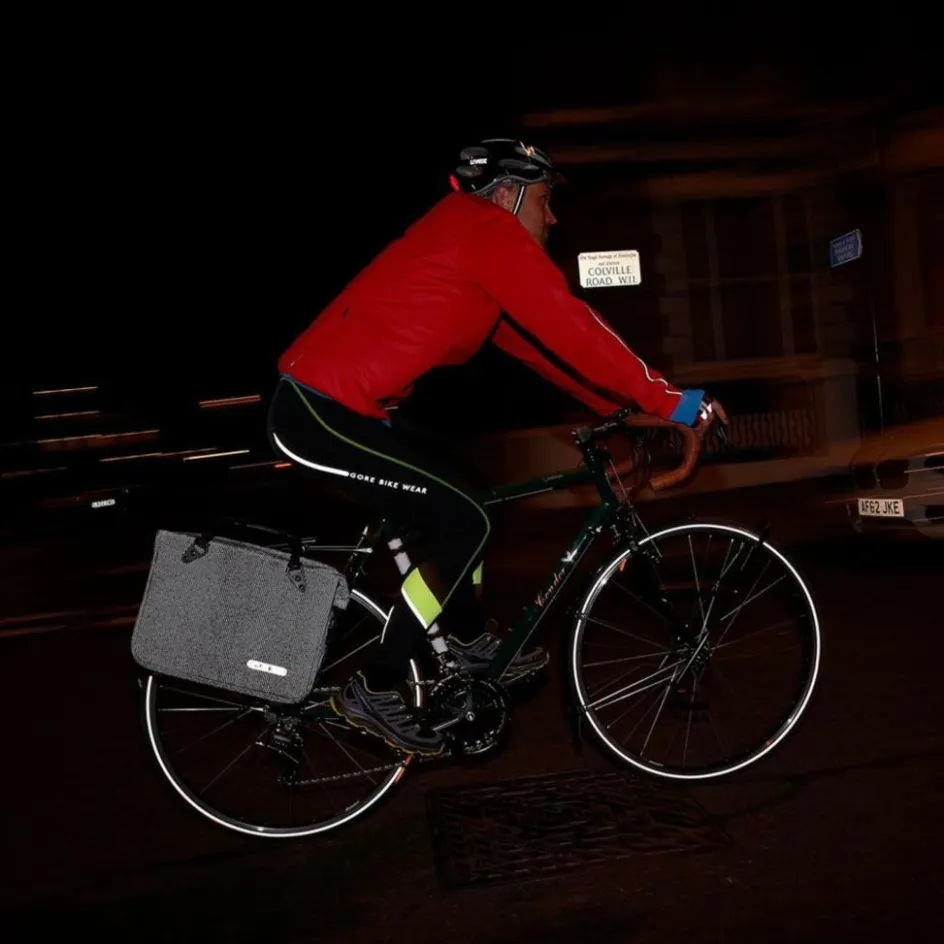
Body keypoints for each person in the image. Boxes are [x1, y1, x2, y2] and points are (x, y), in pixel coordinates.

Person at [267, 137, 728, 755]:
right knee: (467, 517)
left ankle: (461, 640)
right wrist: (673, 401)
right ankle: (375, 685)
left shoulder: (474, 251)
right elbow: (571, 324)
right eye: (544, 199)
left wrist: (620, 408)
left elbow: (545, 348)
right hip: (316, 413)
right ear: (507, 194)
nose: (552, 216)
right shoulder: (484, 231)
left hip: (353, 413)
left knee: (472, 498)